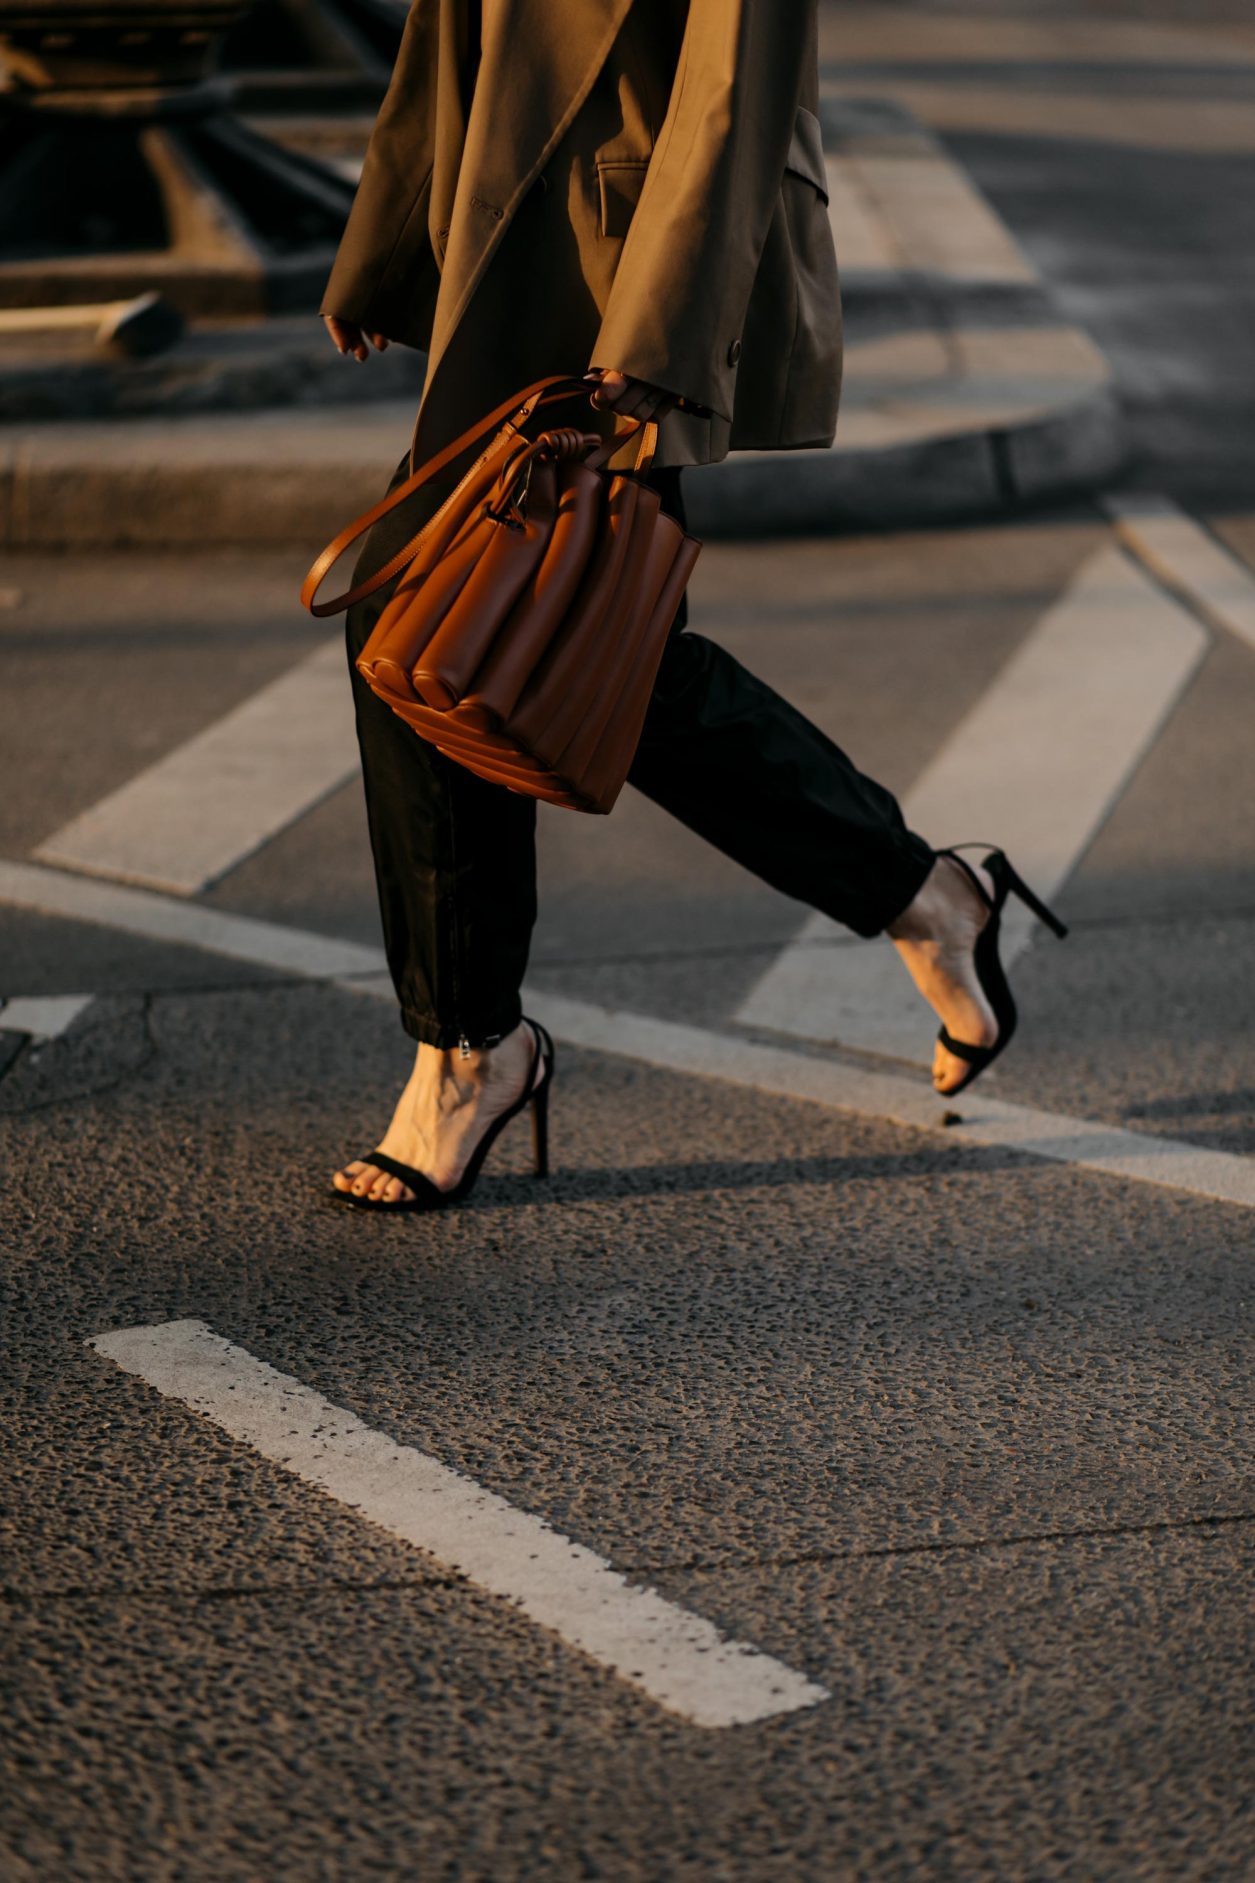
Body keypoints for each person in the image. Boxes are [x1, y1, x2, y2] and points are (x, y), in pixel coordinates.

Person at [319, 0, 1065, 1212]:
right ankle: (922, 896)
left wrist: (660, 329)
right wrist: (392, 237)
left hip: (613, 273)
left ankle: (471, 1048)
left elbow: (733, 84)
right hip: (503, 232)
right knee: (525, 642)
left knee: (494, 630)